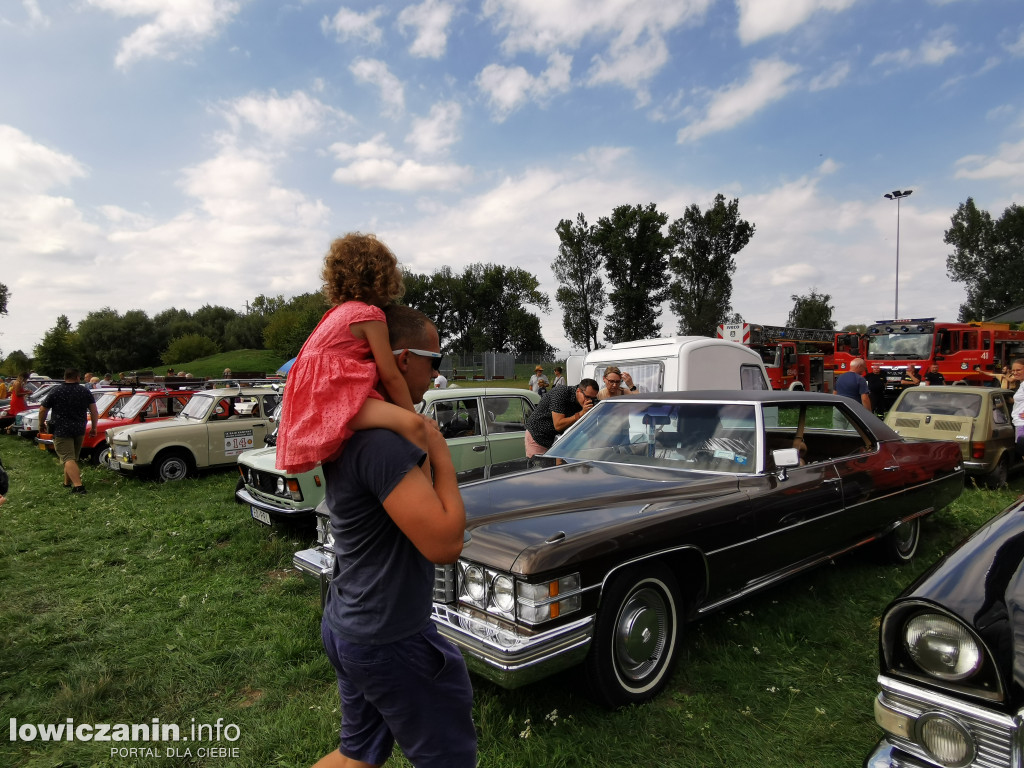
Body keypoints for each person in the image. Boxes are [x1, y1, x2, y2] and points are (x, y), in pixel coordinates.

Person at [312, 304, 475, 768]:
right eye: (434, 360)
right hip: (389, 637)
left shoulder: (353, 426)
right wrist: (438, 447)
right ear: (403, 360)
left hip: (349, 621)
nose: (437, 372)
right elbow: (444, 545)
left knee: (355, 756)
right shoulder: (382, 442)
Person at [276, 233, 429, 477]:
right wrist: (412, 414)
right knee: (415, 426)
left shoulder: (334, 314)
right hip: (334, 398)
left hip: (316, 402)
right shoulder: (370, 315)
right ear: (382, 277)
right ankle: (428, 486)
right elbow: (390, 375)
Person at [38, 368, 99, 494]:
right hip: (79, 428)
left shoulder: (56, 390)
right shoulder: (84, 391)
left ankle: (78, 486)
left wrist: (41, 424)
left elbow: (42, 409)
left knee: (68, 458)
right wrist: (94, 427)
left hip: (61, 430)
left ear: (65, 377)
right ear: (77, 377)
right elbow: (94, 411)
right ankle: (67, 482)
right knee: (72, 458)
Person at [523, 379, 600, 458]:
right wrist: (580, 414)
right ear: (578, 391)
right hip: (538, 436)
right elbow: (558, 425)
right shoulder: (561, 393)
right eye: (587, 397)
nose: (589, 401)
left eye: (593, 399)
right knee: (539, 467)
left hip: (556, 441)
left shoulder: (584, 402)